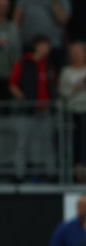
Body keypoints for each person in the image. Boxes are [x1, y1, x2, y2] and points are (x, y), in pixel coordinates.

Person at [58, 42, 86, 182]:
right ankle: (78, 171)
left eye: (79, 52)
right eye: (73, 52)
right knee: (77, 142)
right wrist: (76, 87)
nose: (76, 55)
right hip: (73, 112)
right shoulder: (67, 71)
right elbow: (62, 92)